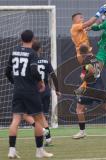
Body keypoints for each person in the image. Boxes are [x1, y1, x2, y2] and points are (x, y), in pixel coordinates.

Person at [5, 30, 53, 158]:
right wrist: (41, 82)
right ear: (32, 39)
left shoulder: (14, 51)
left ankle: (12, 150)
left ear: (21, 39)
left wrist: (14, 82)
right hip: (31, 91)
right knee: (38, 120)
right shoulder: (32, 53)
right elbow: (33, 71)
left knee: (15, 120)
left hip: (18, 91)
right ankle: (39, 151)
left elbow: (7, 71)